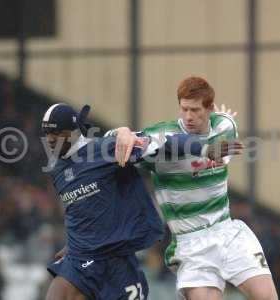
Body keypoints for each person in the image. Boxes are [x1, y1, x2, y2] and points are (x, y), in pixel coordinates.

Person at [41, 103, 243, 300]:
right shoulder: (56, 169)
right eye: (47, 134)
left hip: (118, 261)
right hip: (81, 259)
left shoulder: (106, 150)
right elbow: (80, 209)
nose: (50, 140)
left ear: (74, 131)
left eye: (57, 133)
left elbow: (163, 142)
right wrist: (73, 243)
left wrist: (205, 148)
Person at [113, 76, 278, 300]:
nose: (189, 116)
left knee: (267, 296)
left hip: (227, 231)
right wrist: (121, 131)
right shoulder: (162, 137)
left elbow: (226, 120)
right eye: (184, 109)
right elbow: (118, 143)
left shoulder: (224, 127)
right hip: (191, 245)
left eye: (196, 110)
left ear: (209, 108)